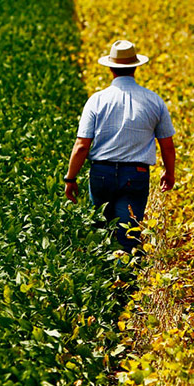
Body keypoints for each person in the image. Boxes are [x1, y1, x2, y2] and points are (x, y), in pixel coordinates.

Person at [64, 40, 176, 252]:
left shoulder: (96, 100)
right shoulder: (154, 101)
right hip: (136, 174)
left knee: (102, 232)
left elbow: (81, 146)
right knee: (129, 235)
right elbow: (167, 146)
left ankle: (104, 270)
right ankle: (128, 271)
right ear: (135, 67)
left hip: (101, 173)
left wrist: (70, 178)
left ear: (110, 68)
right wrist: (169, 173)